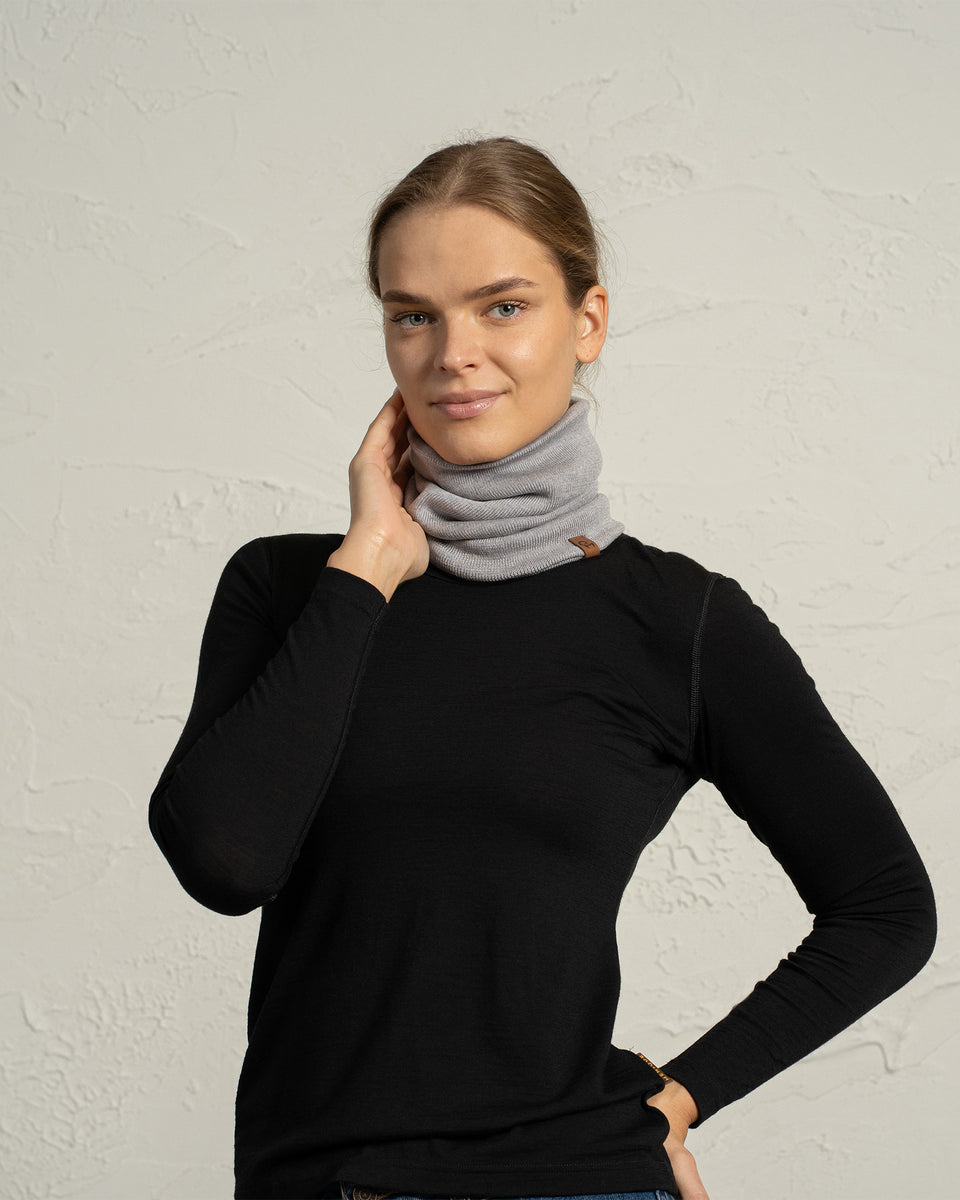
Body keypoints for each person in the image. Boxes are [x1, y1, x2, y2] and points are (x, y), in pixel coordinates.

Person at [148, 137, 936, 1200]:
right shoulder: (296, 588)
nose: (453, 353)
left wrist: (684, 1095)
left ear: (588, 321)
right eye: (413, 315)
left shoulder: (676, 622)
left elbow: (885, 908)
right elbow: (224, 864)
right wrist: (369, 565)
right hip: (315, 1178)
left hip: (572, 1180)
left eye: (503, 307)